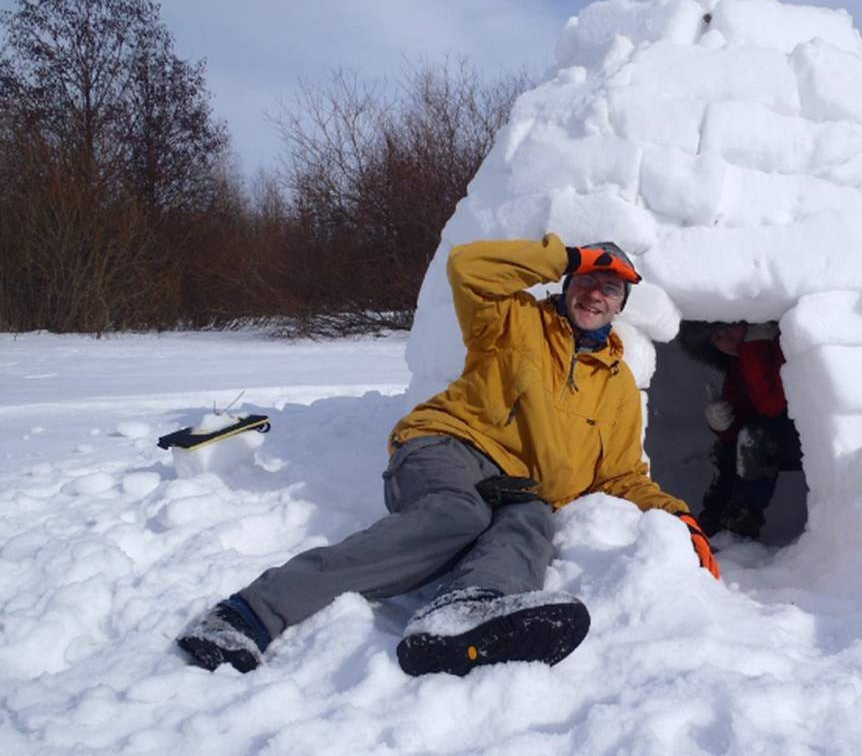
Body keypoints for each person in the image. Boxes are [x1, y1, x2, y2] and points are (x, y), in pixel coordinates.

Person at [177, 235, 719, 677]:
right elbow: (468, 265)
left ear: (622, 305)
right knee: (457, 514)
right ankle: (247, 613)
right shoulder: (515, 319)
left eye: (609, 288)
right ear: (568, 284)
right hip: (448, 446)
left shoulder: (619, 385)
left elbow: (622, 473)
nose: (595, 295)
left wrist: (677, 515)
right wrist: (568, 255)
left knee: (531, 524)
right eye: (586, 282)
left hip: (520, 488)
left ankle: (467, 609)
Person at [677, 320, 806, 542]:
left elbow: (771, 406)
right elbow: (740, 429)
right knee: (726, 449)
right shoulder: (739, 365)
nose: (726, 339)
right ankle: (712, 524)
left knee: (755, 436)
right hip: (777, 440)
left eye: (730, 327)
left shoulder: (781, 349)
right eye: (716, 337)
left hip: (810, 442)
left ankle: (739, 530)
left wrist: (754, 344)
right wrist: (722, 423)